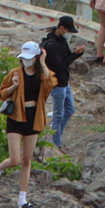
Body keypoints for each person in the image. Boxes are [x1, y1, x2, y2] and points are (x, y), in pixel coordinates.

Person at [0, 40, 55, 208]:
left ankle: (22, 199)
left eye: (30, 57)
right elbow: (2, 93)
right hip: (16, 117)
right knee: (15, 159)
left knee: (27, 160)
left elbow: (51, 82)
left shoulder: (41, 74)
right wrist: (14, 86)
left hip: (34, 118)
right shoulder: (15, 72)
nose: (27, 61)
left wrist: (43, 62)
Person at [41, 15, 86, 150]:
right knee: (58, 114)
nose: (70, 35)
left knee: (69, 109)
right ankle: (56, 143)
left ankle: (57, 135)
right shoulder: (52, 45)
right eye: (69, 31)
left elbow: (66, 57)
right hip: (57, 83)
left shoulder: (61, 42)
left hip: (64, 82)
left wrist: (76, 53)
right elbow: (59, 65)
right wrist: (74, 55)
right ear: (61, 28)